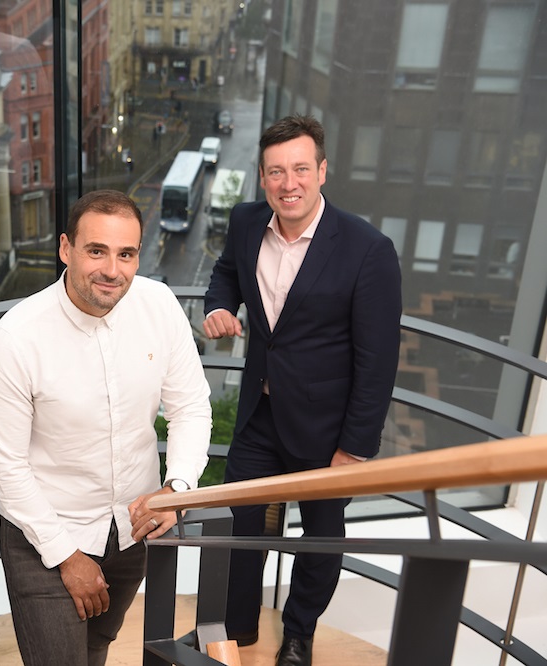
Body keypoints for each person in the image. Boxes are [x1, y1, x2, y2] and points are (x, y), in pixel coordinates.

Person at [0, 189, 212, 666]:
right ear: (66, 249)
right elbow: (7, 467)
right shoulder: (17, 338)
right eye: (96, 251)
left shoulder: (159, 305)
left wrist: (178, 486)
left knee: (96, 648)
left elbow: (190, 405)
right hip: (44, 536)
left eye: (126, 254)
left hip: (131, 531)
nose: (112, 269)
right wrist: (67, 556)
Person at [202, 115, 401, 666]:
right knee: (240, 527)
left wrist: (355, 448)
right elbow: (225, 273)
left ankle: (298, 635)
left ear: (322, 171)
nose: (288, 183)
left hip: (328, 429)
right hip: (259, 415)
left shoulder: (367, 249)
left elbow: (378, 359)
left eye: (300, 169)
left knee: (319, 540)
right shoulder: (245, 223)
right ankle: (234, 628)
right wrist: (219, 306)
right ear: (262, 177)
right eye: (275, 172)